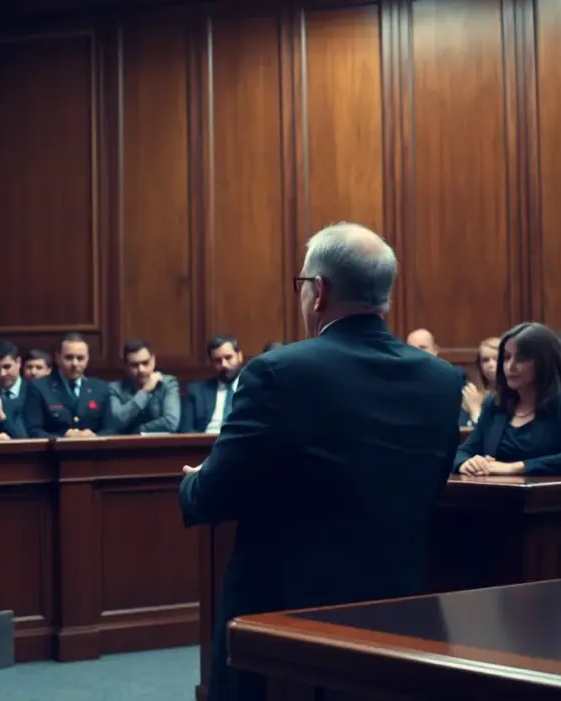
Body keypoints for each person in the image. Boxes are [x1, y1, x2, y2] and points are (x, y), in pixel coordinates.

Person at [178, 223, 463, 701]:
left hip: (286, 623)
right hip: (397, 608)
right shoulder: (443, 380)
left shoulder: (277, 372)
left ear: (319, 291)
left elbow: (215, 495)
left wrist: (195, 481)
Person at [456, 323, 561, 476]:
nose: (510, 367)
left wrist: (514, 467)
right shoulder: (496, 403)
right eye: (506, 358)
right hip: (495, 489)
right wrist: (466, 463)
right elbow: (463, 451)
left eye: (521, 358)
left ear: (544, 362)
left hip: (549, 489)